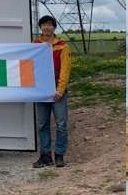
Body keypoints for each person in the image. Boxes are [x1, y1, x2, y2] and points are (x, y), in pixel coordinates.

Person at [33, 15, 72, 168]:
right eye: (43, 24)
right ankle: (45, 155)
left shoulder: (62, 46)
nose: (46, 27)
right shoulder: (35, 45)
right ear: (40, 27)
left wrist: (60, 89)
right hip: (42, 92)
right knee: (43, 124)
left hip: (57, 93)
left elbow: (65, 70)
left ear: (54, 27)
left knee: (61, 125)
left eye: (49, 24)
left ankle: (60, 155)